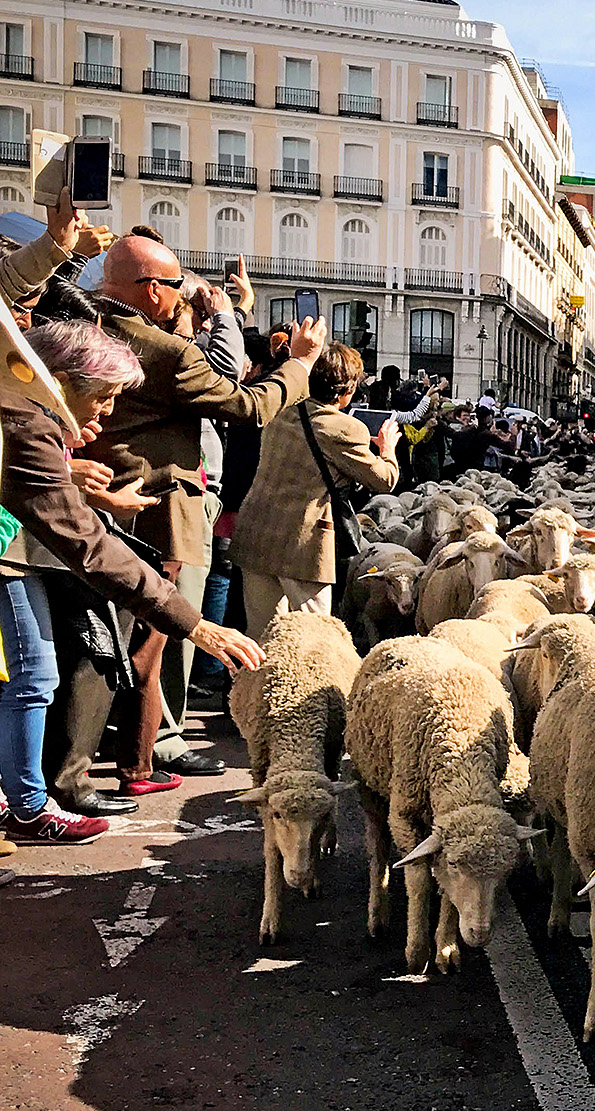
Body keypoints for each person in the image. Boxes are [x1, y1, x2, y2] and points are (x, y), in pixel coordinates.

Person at [0, 316, 264, 845]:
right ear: (63, 379)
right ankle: (26, 805)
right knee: (33, 672)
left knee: (30, 673)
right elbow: (88, 547)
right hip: (9, 555)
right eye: (105, 394)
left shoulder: (24, 414)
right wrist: (196, 626)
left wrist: (79, 481)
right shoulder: (30, 425)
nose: (108, 410)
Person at [74, 233, 320, 798]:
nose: (185, 292)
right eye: (177, 281)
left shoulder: (88, 326)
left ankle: (117, 757)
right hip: (156, 509)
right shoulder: (164, 351)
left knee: (95, 640)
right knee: (148, 641)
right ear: (155, 289)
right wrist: (299, 363)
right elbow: (246, 405)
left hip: (97, 502)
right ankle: (126, 763)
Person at [230, 342, 400, 642]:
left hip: (256, 532)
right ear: (346, 390)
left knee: (261, 635)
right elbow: (384, 481)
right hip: (303, 544)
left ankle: (255, 688)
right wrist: (388, 449)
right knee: (315, 637)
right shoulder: (345, 428)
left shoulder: (280, 409)